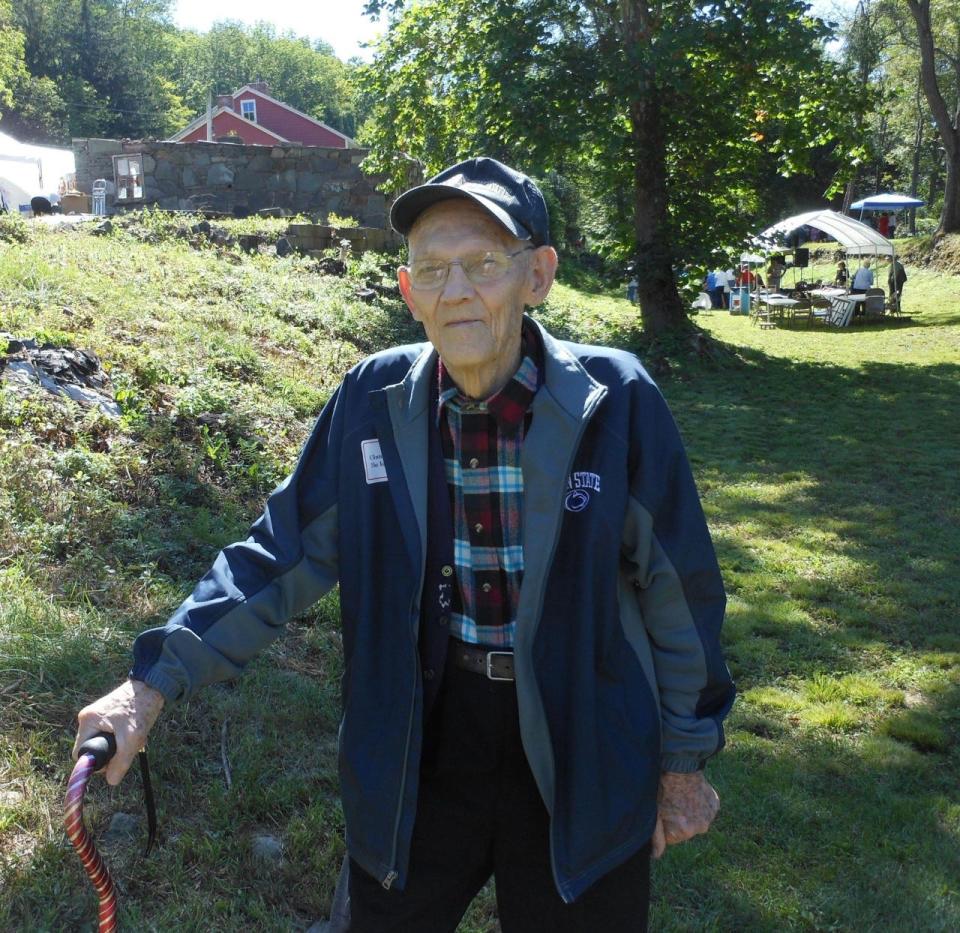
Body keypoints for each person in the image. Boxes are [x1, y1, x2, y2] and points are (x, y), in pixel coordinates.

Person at [73, 157, 734, 933]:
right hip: (424, 734)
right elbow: (276, 554)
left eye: (484, 263)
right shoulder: (370, 400)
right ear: (407, 289)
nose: (457, 291)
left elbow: (678, 591)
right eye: (432, 268)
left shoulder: (615, 400)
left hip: (582, 736)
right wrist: (149, 682)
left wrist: (682, 760)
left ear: (539, 275)